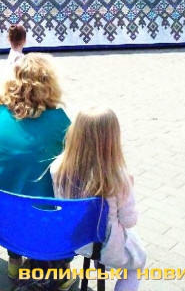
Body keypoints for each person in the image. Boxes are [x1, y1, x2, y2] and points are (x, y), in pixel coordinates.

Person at [0, 53, 70, 283]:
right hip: (43, 217)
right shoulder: (60, 120)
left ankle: (14, 262)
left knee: (12, 179)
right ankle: (59, 270)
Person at [51, 107, 146, 291]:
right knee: (138, 261)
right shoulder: (119, 177)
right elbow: (129, 221)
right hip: (106, 244)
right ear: (112, 139)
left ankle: (98, 260)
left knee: (100, 236)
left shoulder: (58, 167)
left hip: (74, 239)